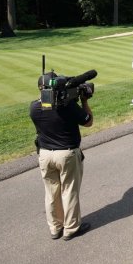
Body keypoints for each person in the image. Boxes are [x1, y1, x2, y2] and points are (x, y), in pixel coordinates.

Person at [30, 73, 94, 241]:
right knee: (69, 191)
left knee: (51, 193)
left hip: (45, 155)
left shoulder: (34, 107)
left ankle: (55, 227)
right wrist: (84, 101)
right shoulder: (68, 106)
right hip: (66, 154)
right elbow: (88, 121)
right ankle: (71, 228)